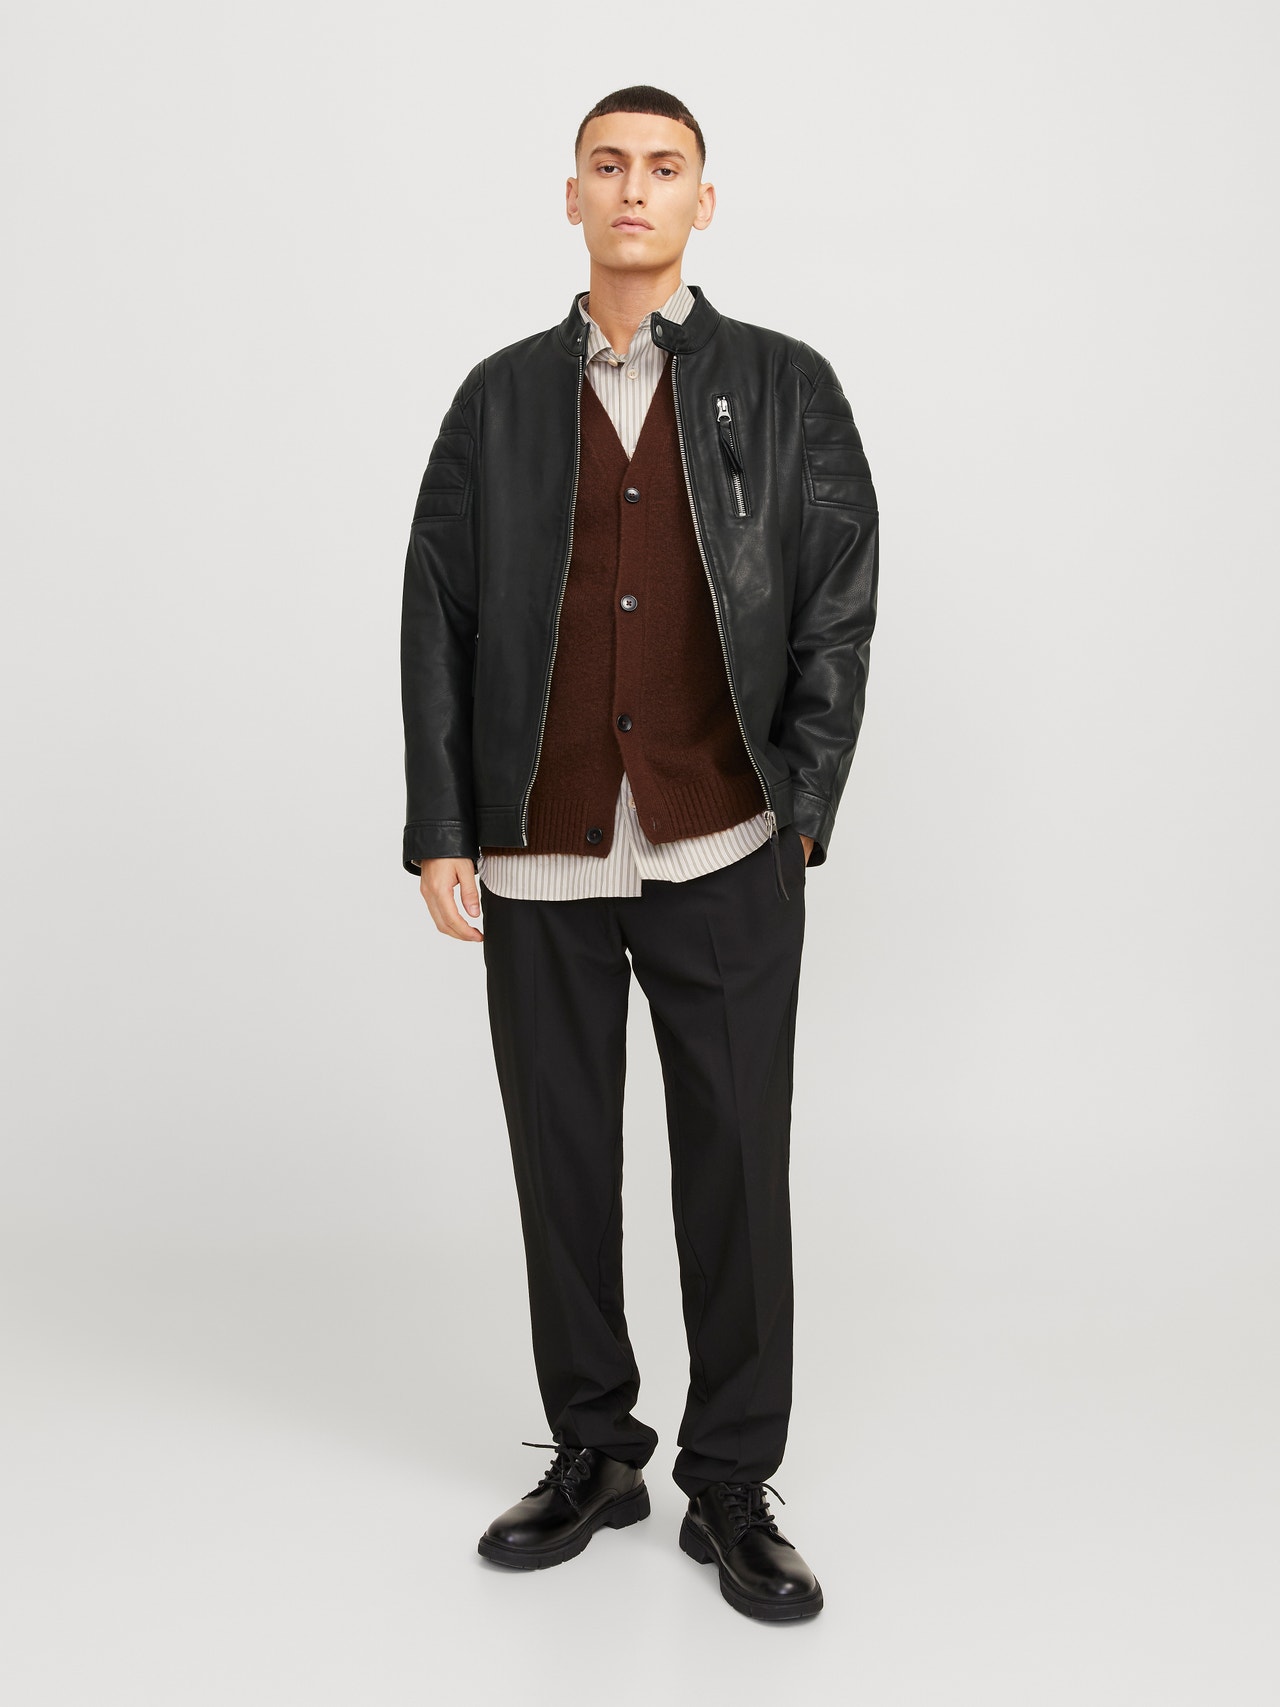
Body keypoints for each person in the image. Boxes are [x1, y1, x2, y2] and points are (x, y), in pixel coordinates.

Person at [399, 84, 878, 1622]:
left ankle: (730, 1482)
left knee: (734, 1166)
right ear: (571, 196)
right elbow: (438, 615)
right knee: (562, 1163)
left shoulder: (785, 386)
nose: (632, 189)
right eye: (607, 165)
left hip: (725, 833)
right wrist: (441, 827)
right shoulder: (496, 401)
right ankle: (595, 1451)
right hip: (539, 843)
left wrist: (804, 801)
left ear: (700, 203)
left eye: (663, 168)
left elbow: (838, 597)